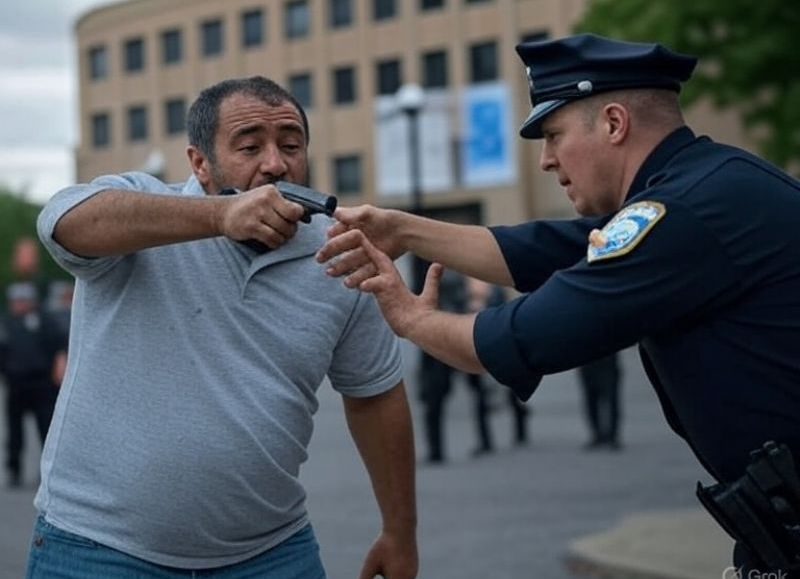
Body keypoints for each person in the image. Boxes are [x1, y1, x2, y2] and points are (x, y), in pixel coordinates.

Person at [316, 34, 800, 576]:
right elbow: (544, 250)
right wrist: (403, 228)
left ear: (614, 123)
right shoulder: (701, 186)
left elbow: (522, 336)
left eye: (554, 135)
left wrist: (411, 318)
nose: (546, 160)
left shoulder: (685, 212)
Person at [29, 76, 417, 579]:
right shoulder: (145, 213)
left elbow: (374, 396)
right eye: (250, 146)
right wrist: (221, 216)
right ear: (199, 163)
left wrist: (400, 531)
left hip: (272, 553)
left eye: (291, 145)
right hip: (96, 549)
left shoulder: (343, 254)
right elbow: (61, 222)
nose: (276, 163)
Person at [0, 281, 62, 488]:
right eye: (15, 301)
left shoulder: (45, 321)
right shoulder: (6, 324)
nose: (18, 304)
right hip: (16, 384)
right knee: (15, 432)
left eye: (23, 300)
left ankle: (46, 473)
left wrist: (58, 366)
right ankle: (14, 470)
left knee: (45, 430)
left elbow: (59, 346)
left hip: (42, 383)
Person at [464, 278, 529, 449]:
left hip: (500, 337)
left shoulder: (497, 283)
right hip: (472, 340)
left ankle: (520, 425)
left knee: (510, 387)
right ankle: (485, 440)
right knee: (479, 393)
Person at [577, 352, 621, 450]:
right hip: (590, 364)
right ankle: (599, 435)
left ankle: (610, 436)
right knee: (592, 402)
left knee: (610, 402)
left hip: (605, 364)